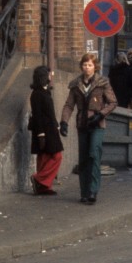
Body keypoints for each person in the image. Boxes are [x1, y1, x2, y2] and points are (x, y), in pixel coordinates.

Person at [60, 52, 117, 204]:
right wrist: (64, 122)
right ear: (81, 67)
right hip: (82, 124)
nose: (87, 68)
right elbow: (69, 105)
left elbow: (113, 102)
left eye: (90, 65)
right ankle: (84, 192)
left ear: (95, 67)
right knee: (83, 159)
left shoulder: (102, 83)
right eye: (85, 65)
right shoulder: (76, 84)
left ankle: (93, 191)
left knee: (94, 154)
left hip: (97, 124)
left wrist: (101, 114)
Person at [27, 65, 62, 195]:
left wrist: (56, 125)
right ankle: (39, 179)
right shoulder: (37, 94)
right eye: (48, 74)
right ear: (43, 76)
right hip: (44, 131)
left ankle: (44, 186)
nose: (50, 76)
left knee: (46, 157)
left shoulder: (45, 91)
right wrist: (41, 134)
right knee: (55, 156)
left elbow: (50, 112)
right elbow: (38, 115)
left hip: (51, 129)